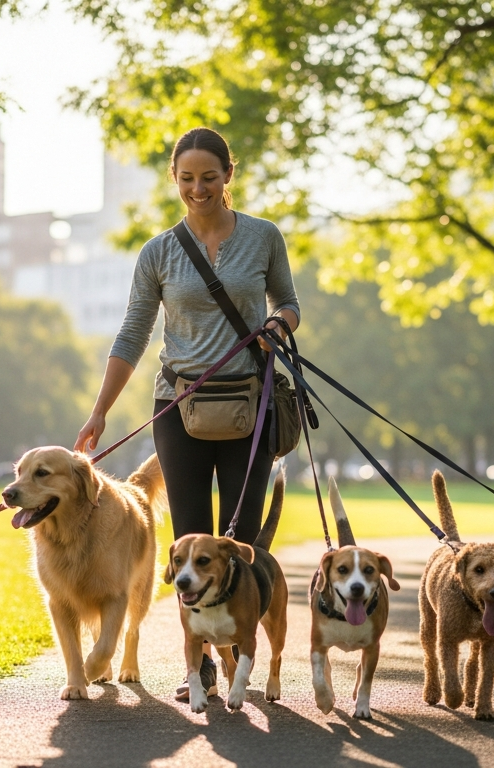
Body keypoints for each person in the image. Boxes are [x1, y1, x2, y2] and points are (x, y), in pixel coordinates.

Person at [74, 127, 300, 701]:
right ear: (175, 179)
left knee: (241, 538)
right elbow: (132, 332)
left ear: (229, 174)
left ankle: (238, 657)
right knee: (188, 541)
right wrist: (100, 410)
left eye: (210, 176)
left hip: (249, 401)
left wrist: (280, 324)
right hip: (179, 405)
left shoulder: (264, 236)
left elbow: (288, 302)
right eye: (187, 178)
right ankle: (197, 666)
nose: (198, 188)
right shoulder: (159, 251)